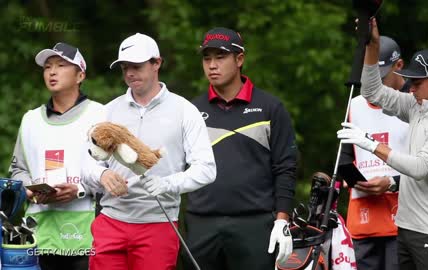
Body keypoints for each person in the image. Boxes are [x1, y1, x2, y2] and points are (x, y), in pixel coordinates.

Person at [337, 18, 428, 270]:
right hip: (406, 226)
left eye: (417, 83)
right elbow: (372, 92)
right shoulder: (417, 105)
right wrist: (372, 45)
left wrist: (371, 144)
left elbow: (420, 168)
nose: (411, 89)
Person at [85, 32, 216, 270]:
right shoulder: (107, 111)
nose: (129, 73)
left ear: (157, 63)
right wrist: (101, 176)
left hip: (158, 224)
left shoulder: (184, 110)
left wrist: (168, 184)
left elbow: (207, 169)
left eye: (136, 66)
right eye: (124, 67)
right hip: (111, 221)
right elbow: (85, 165)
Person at [185, 27, 297, 270]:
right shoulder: (191, 111)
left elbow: (285, 167)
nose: (212, 65)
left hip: (255, 225)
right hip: (201, 224)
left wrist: (282, 219)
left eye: (220, 57)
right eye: (207, 58)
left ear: (239, 59)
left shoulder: (270, 107)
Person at [9, 42, 104, 270]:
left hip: (88, 234)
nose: (52, 71)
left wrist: (80, 189)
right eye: (47, 67)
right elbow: (18, 170)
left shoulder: (101, 113)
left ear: (80, 75)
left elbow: (116, 175)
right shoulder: (30, 119)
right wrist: (29, 189)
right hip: (40, 233)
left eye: (61, 65)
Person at [339, 35, 408, 270]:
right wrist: (352, 180)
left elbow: (427, 166)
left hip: (403, 220)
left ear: (399, 66)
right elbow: (344, 156)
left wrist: (392, 182)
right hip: (363, 219)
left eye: (381, 77)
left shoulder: (413, 104)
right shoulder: (355, 104)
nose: (374, 85)